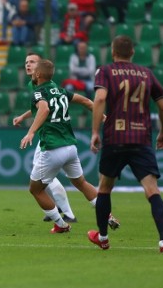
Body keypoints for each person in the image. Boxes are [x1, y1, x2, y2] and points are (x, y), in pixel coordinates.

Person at [90, 35, 163, 253]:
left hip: (115, 138)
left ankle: (104, 238)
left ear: (113, 51)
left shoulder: (105, 71)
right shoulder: (146, 73)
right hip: (141, 138)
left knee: (105, 188)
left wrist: (95, 131)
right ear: (132, 52)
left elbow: (99, 99)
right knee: (152, 190)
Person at [19, 59, 118, 234]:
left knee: (35, 189)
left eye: (35, 70)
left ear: (38, 74)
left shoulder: (38, 92)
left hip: (52, 148)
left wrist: (31, 132)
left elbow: (44, 110)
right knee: (81, 182)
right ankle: (108, 215)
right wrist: (104, 118)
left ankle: (61, 224)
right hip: (71, 148)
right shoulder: (62, 91)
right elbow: (87, 101)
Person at [13, 52, 92, 225]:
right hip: (59, 139)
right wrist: (23, 117)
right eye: (26, 62)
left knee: (40, 182)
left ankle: (64, 213)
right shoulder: (33, 84)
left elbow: (45, 108)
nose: (28, 65)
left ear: (40, 69)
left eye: (32, 62)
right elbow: (40, 106)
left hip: (51, 138)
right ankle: (60, 210)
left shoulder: (47, 85)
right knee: (53, 179)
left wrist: (31, 131)